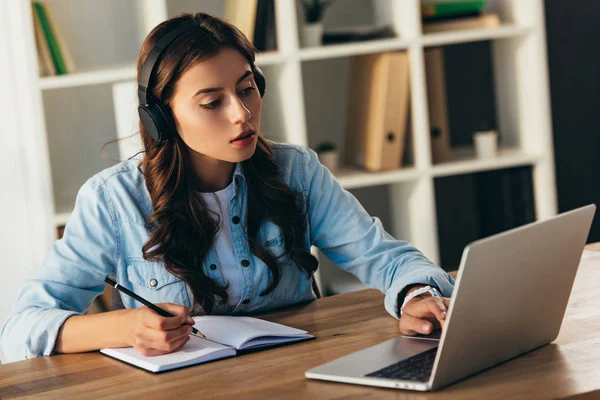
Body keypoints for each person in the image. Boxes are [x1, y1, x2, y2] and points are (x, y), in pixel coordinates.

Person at [0, 12, 454, 362]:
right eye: (212, 102)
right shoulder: (113, 201)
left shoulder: (297, 171)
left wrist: (416, 295)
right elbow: (21, 328)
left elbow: (384, 257)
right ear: (160, 118)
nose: (242, 113)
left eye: (247, 88)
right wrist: (125, 327)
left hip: (294, 373)